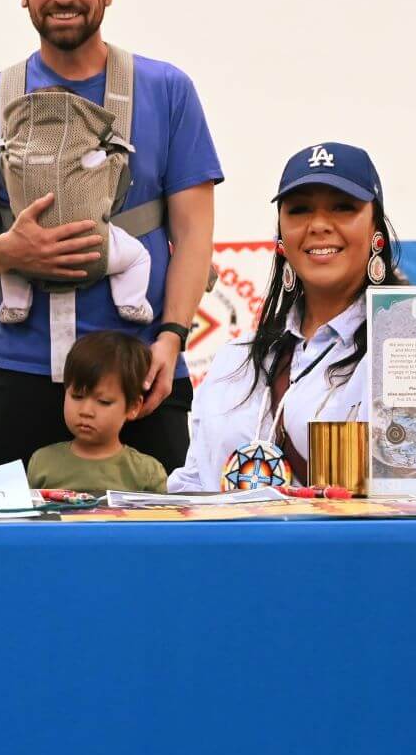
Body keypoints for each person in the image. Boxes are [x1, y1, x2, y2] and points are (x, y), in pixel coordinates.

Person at [0, 0, 221, 473]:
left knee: (148, 554)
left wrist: (170, 340)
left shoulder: (167, 92)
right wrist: (12, 252)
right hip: (19, 378)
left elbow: (194, 237)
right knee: (10, 557)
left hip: (142, 379)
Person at [167, 143, 398, 494]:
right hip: (231, 547)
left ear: (375, 233)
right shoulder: (234, 360)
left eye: (343, 208)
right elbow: (193, 484)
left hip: (345, 549)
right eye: (300, 210)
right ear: (281, 240)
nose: (319, 224)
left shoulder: (401, 357)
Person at [25, 331, 168, 496]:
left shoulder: (147, 473)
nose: (86, 411)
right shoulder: (42, 462)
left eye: (104, 402)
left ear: (133, 407)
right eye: (77, 396)